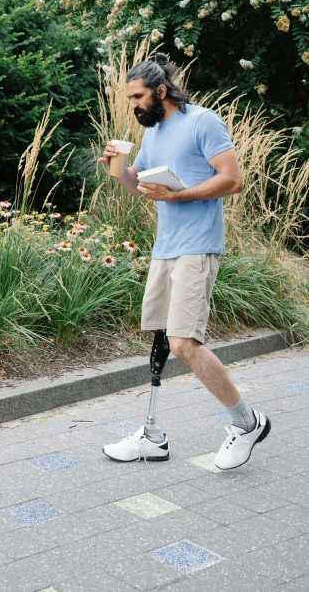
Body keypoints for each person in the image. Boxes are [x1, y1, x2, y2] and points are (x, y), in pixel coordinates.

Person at [99, 52, 271, 470]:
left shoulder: (202, 121)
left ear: (160, 91)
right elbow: (138, 186)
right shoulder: (154, 131)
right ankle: (153, 437)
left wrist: (177, 195)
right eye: (129, 98)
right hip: (166, 247)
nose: (133, 105)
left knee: (183, 342)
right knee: (162, 339)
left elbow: (232, 179)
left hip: (197, 245)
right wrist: (116, 166)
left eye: (138, 96)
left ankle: (246, 423)